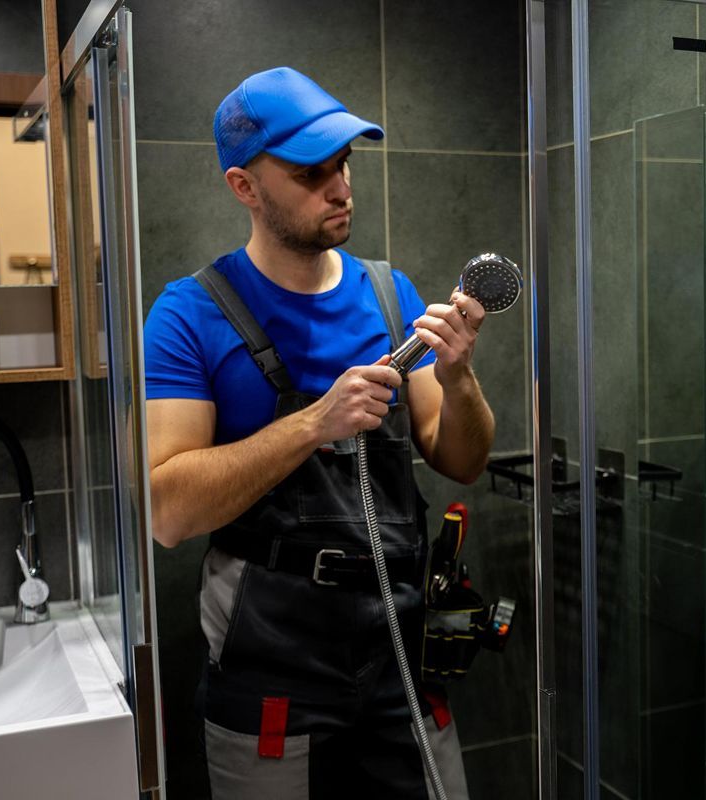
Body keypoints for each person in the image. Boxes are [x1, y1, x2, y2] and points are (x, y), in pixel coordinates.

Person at [142, 66, 493, 799]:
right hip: (271, 665)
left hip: (401, 653)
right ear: (244, 186)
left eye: (344, 165)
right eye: (311, 173)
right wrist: (313, 423)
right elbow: (169, 510)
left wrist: (458, 377)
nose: (340, 188)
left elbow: (461, 459)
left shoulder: (389, 295)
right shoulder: (189, 315)